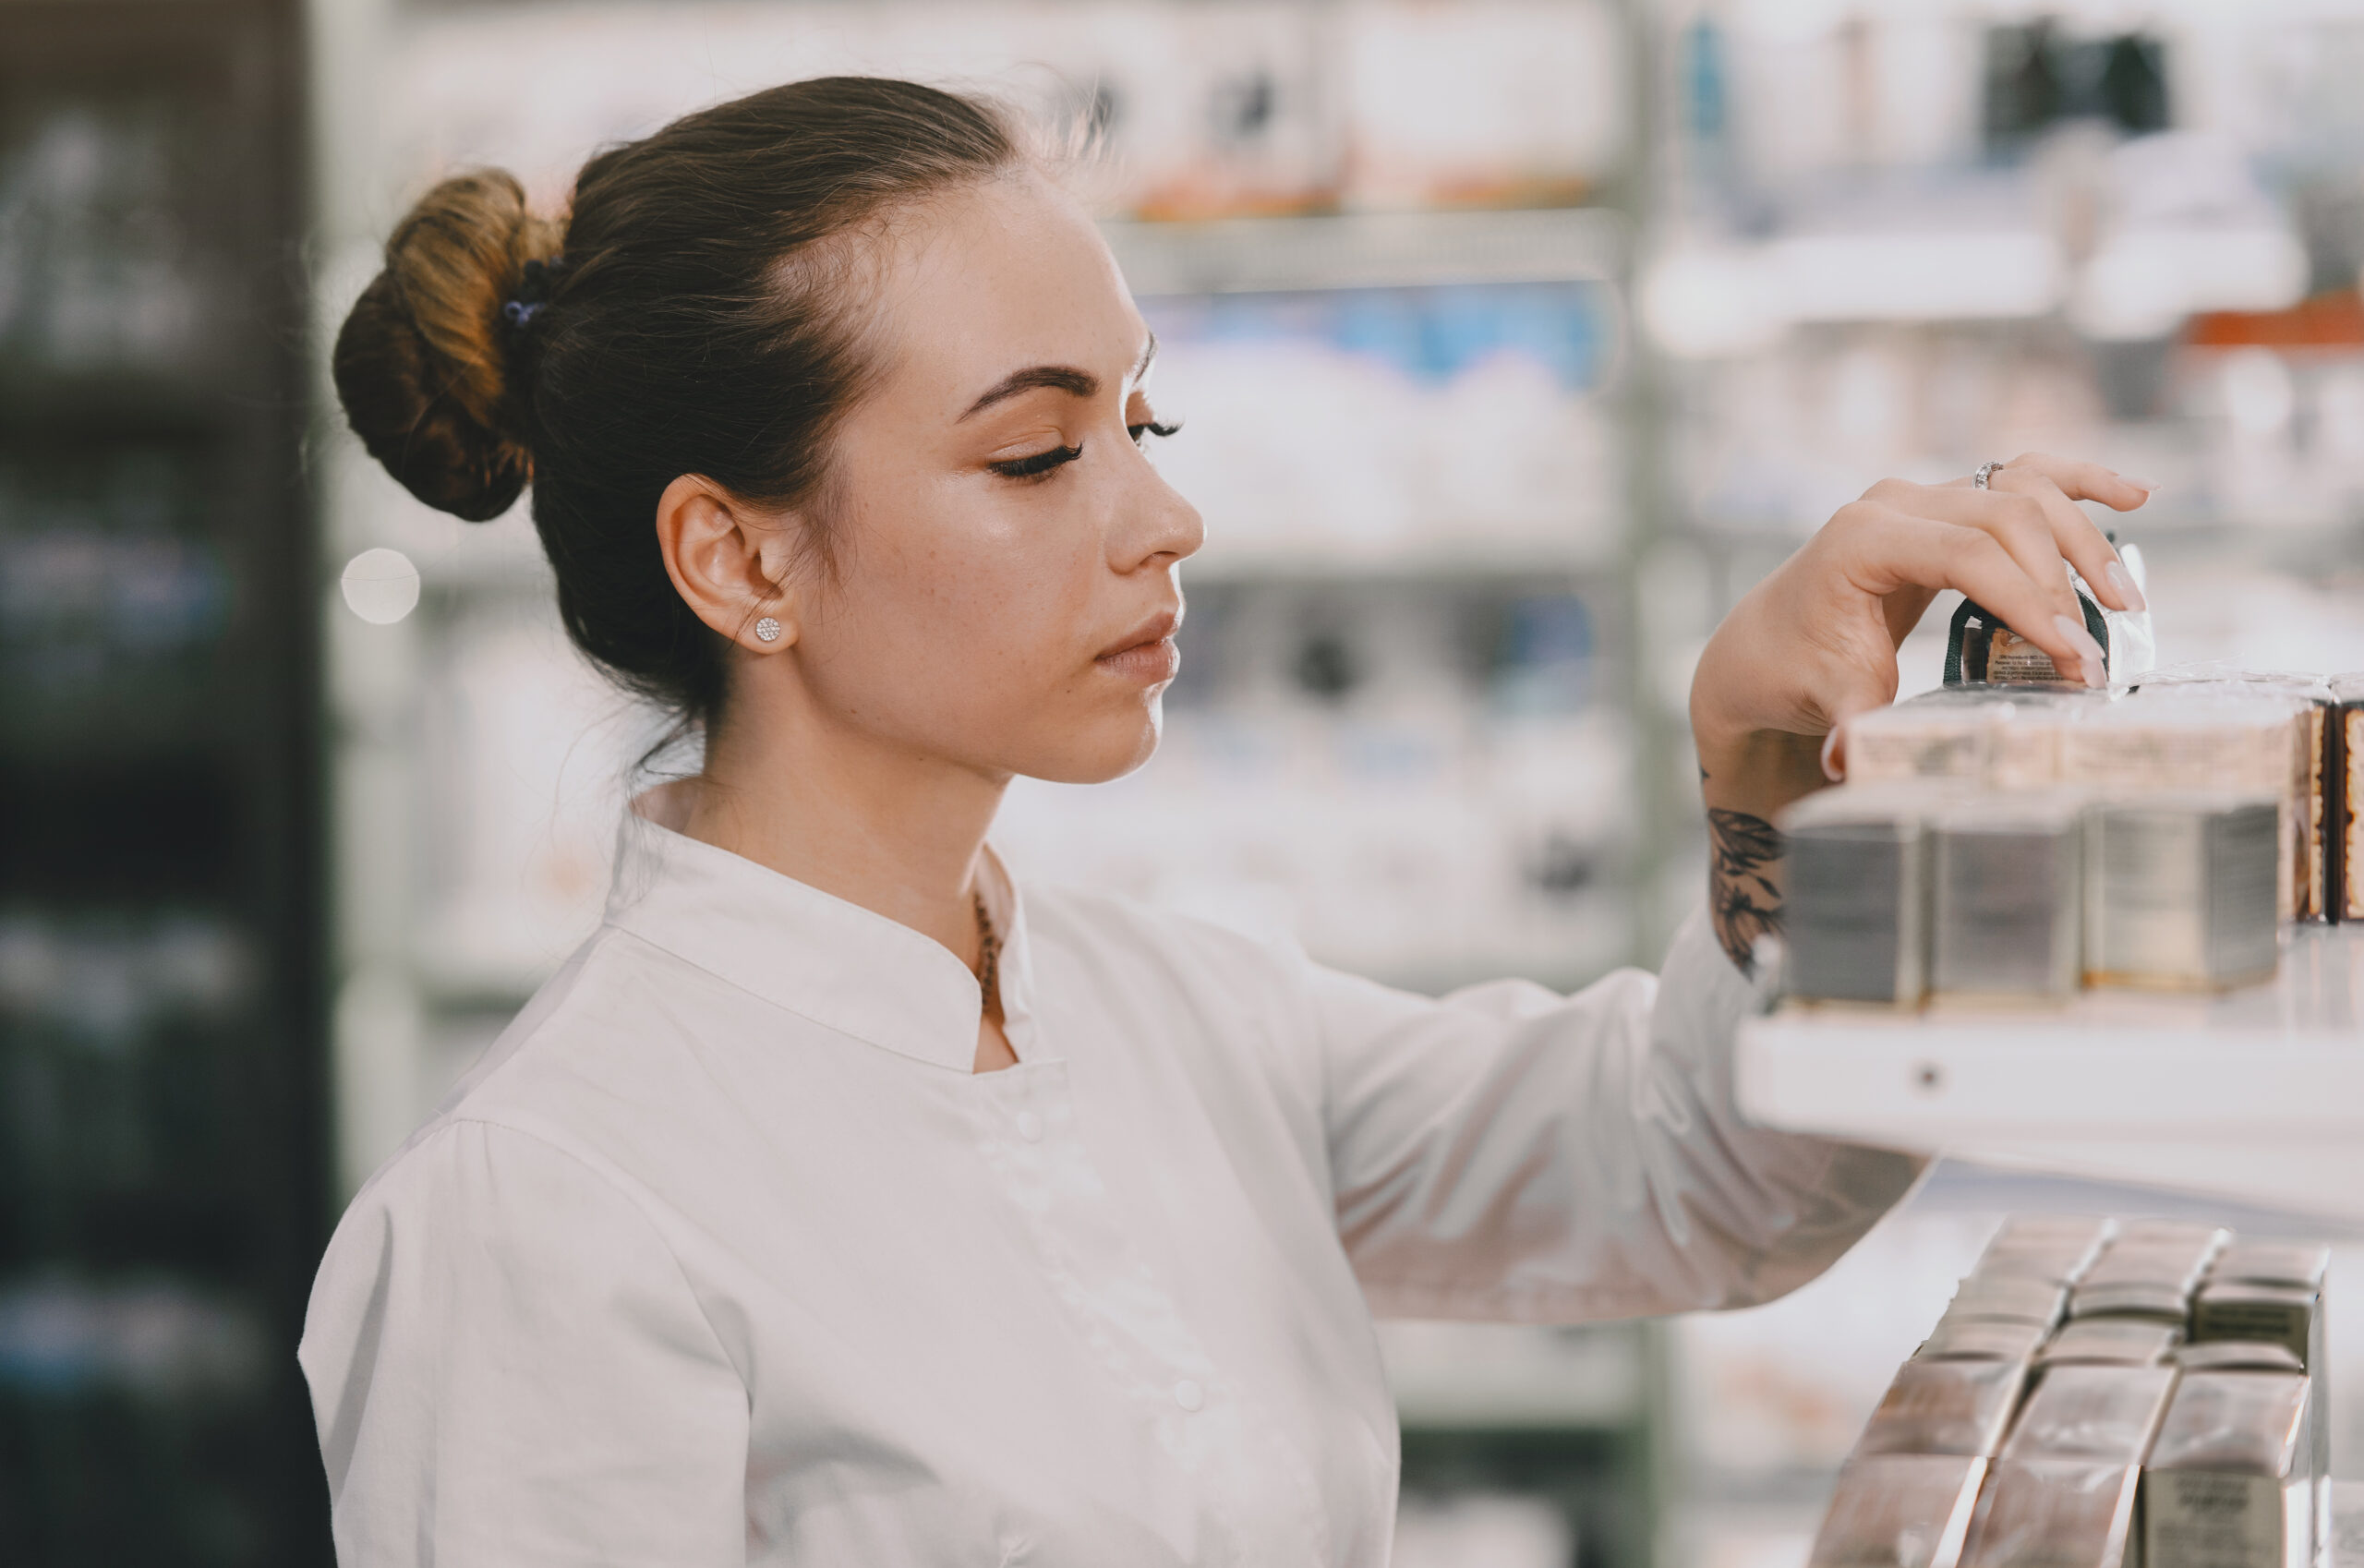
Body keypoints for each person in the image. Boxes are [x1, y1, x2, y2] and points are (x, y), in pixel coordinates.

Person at [300, 76, 2153, 1566]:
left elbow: (1689, 1174)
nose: (1157, 520)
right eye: (1038, 452)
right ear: (734, 554)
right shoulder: (544, 1220)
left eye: (1143, 428)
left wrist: (1758, 755)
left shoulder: (1173, 1018)